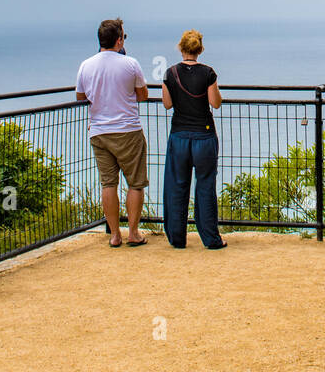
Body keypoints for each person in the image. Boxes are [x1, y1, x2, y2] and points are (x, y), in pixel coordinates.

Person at [75, 18, 149, 247]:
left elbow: (80, 97)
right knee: (135, 183)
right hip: (127, 130)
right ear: (119, 40)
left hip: (98, 131)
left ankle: (115, 234)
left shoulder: (85, 65)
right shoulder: (130, 64)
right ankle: (133, 233)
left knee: (108, 184)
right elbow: (143, 94)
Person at [160, 29, 226, 249]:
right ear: (200, 49)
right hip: (204, 136)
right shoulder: (209, 73)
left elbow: (167, 104)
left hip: (179, 135)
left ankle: (177, 238)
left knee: (177, 186)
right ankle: (211, 239)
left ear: (181, 48)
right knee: (205, 186)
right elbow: (215, 103)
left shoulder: (170, 74)